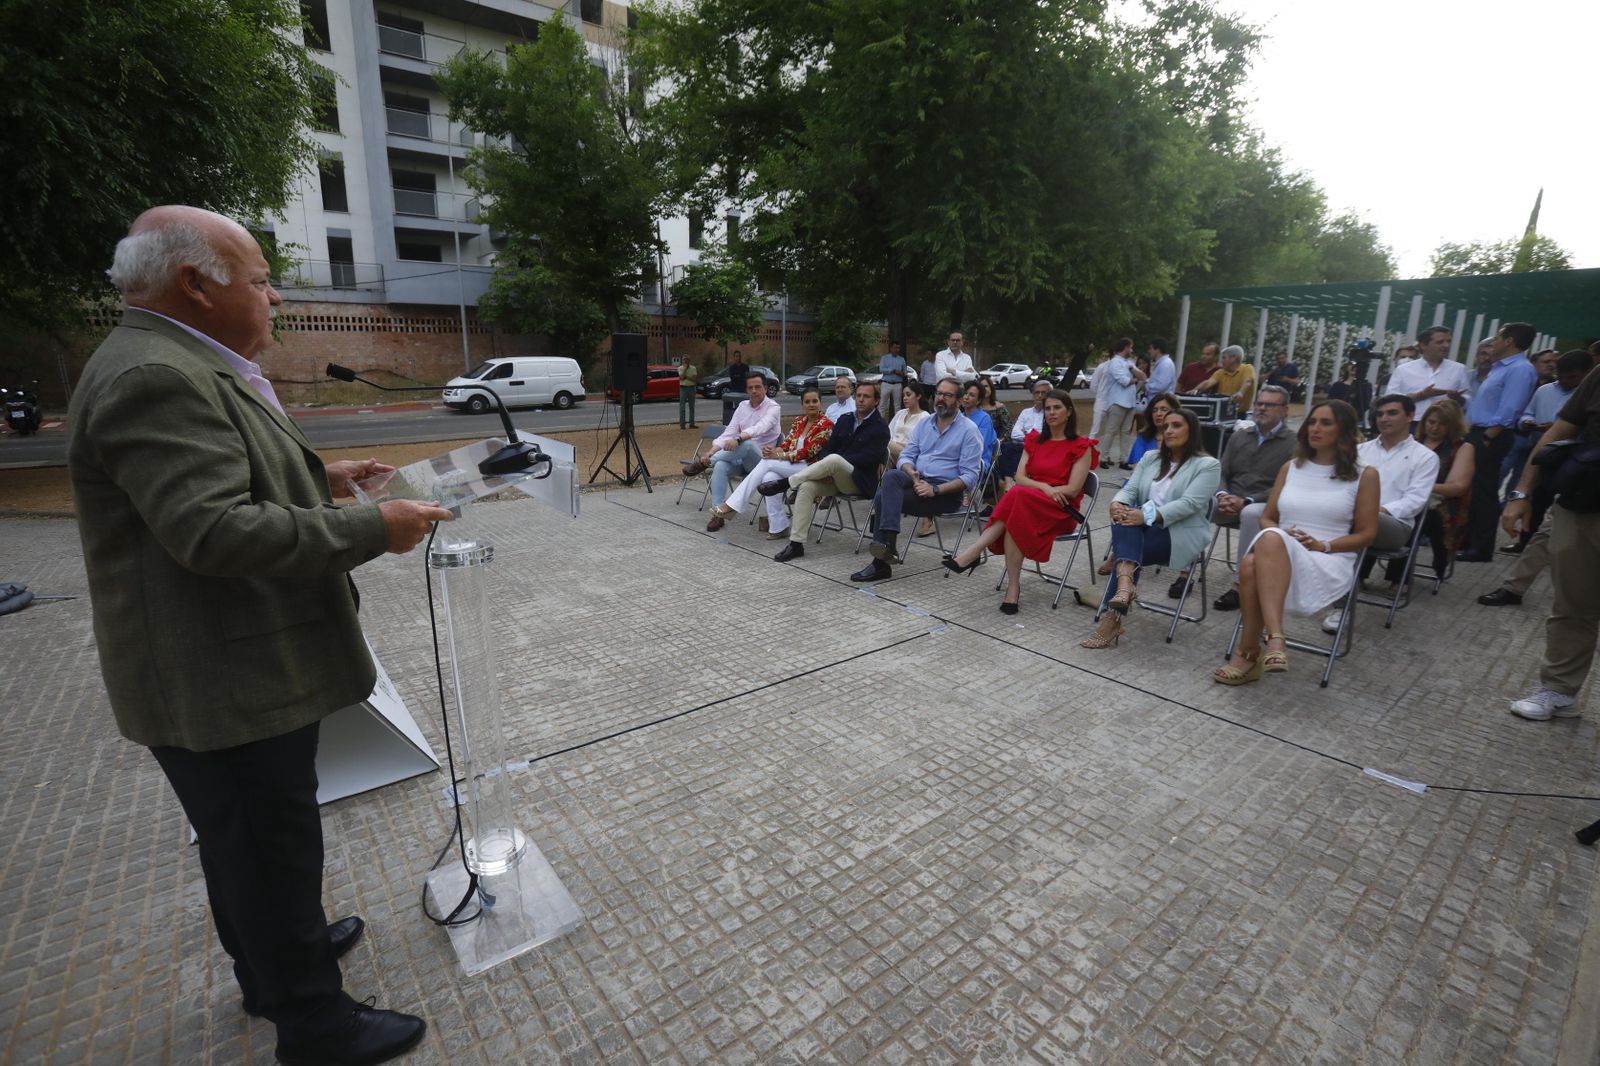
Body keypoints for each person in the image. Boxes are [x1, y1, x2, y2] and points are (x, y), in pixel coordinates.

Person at [66, 206, 443, 1065]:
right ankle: (314, 1024)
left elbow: (219, 475)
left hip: (226, 668)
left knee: (251, 841)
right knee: (265, 844)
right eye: (263, 278)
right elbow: (214, 531)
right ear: (196, 284)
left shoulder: (176, 357)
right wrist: (369, 528)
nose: (275, 296)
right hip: (220, 681)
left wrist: (319, 473)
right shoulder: (152, 376)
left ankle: (277, 959)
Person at [1214, 400, 1379, 685]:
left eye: (1326, 423)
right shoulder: (1291, 468)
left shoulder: (1365, 474)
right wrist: (1284, 537)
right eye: (1312, 421)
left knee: (1255, 560)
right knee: (1264, 546)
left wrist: (1321, 545)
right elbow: (1268, 518)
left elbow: (1366, 534)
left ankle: (1253, 650)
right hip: (1279, 552)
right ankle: (1272, 640)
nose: (1315, 428)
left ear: (1345, 430)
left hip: (1327, 557)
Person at [1499, 363, 1600, 720]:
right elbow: (1559, 431)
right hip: (1585, 507)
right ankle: (1559, 690)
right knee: (1573, 604)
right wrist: (1521, 491)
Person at [943, 389, 1095, 613]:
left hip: (1061, 510)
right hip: (1030, 504)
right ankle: (1012, 588)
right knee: (1018, 505)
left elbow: (1072, 490)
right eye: (1048, 408)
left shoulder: (1082, 445)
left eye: (1057, 408)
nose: (1051, 412)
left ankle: (973, 553)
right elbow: (1021, 477)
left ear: (1069, 412)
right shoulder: (1035, 440)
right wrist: (1044, 486)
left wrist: (1042, 490)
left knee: (1016, 495)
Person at [1081, 408, 1221, 648]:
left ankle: (1119, 601)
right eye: (1165, 426)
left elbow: (1189, 504)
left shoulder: (1207, 465)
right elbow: (1131, 489)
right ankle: (1123, 592)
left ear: (1192, 430)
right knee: (1125, 522)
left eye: (1176, 425)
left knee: (1128, 533)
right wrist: (1117, 502)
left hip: (1179, 536)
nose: (1168, 430)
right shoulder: (1151, 458)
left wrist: (1144, 515)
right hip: (1142, 532)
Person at [1319, 393, 1440, 632]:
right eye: (1380, 414)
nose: (1384, 418)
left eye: (1392, 413)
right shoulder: (1360, 450)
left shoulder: (1425, 457)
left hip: (1395, 527)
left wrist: (1373, 509)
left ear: (1410, 416)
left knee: (1349, 526)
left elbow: (1415, 501)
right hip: (1352, 519)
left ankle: (1341, 608)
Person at [850, 377, 983, 582]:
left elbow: (970, 476)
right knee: (893, 475)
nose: (941, 398)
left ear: (958, 400)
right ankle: (889, 545)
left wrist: (935, 490)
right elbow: (906, 456)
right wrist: (910, 471)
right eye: (939, 393)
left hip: (944, 493)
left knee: (882, 497)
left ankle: (882, 560)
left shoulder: (969, 431)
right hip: (916, 481)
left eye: (947, 395)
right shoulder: (925, 424)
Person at [762, 381, 890, 561]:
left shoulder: (880, 428)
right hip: (835, 476)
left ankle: (787, 483)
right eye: (859, 396)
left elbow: (867, 459)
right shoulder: (846, 420)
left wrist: (833, 466)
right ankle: (796, 544)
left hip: (859, 481)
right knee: (807, 487)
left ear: (876, 401)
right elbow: (828, 448)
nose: (861, 400)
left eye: (867, 396)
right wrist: (828, 469)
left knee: (835, 459)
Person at [1207, 386, 1297, 609]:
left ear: (1285, 410)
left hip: (1265, 505)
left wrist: (1246, 501)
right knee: (1200, 502)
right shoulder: (1239, 436)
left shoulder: (1294, 443)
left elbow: (1285, 484)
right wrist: (1222, 494)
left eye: (1269, 404)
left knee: (1250, 514)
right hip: (1229, 499)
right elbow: (1222, 471)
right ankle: (1185, 573)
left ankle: (1240, 586)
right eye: (1259, 403)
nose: (1262, 408)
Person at [1458, 322, 1540, 561]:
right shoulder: (1500, 367)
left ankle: (1480, 548)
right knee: (1472, 489)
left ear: (1509, 341)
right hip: (1477, 432)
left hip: (1490, 435)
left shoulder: (1520, 369)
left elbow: (1510, 408)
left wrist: (1487, 437)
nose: (1493, 342)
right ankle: (1467, 540)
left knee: (1484, 491)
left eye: (1497, 337)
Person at [706, 387, 832, 534]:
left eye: (815, 401)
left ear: (820, 403)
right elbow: (787, 444)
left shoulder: (826, 424)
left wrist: (777, 456)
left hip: (812, 467)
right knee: (768, 477)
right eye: (807, 402)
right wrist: (774, 451)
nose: (811, 404)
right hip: (793, 465)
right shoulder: (799, 421)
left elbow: (809, 451)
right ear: (802, 405)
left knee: (767, 462)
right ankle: (779, 526)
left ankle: (731, 506)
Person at [1500, 349, 1588, 530]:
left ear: (1586, 374)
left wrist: (1558, 430)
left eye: (1571, 378)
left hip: (1571, 456)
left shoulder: (1585, 397)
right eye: (1561, 376)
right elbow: (1527, 412)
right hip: (1540, 451)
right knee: (1535, 499)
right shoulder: (1544, 390)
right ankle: (1524, 539)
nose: (1564, 381)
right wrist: (1527, 422)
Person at [681, 373, 782, 512]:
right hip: (740, 460)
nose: (754, 390)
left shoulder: (773, 408)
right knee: (721, 466)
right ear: (746, 390)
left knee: (747, 444)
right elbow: (729, 432)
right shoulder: (742, 406)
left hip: (761, 462)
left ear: (765, 388)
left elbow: (760, 427)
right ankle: (718, 512)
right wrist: (710, 452)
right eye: (750, 387)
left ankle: (706, 463)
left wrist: (738, 439)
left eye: (758, 387)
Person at [1402, 398, 1474, 586]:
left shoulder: (1462, 448)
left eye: (1442, 424)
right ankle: (1362, 573)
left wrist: (1417, 486)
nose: (1434, 428)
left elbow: (1457, 487)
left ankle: (1398, 577)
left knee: (1412, 516)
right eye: (1431, 422)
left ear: (1453, 426)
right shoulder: (1410, 442)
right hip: (1405, 496)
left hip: (1442, 503)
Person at [1382, 325, 1471, 426]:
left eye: (1448, 341)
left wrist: (1458, 399)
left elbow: (1468, 401)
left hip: (1446, 425)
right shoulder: (1403, 370)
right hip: (1411, 424)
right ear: (1423, 345)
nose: (1446, 345)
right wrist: (1422, 395)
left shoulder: (1459, 369)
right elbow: (1390, 400)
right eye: (1440, 342)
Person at [997, 379, 1052, 488]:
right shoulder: (1025, 412)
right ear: (1032, 395)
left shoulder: (1051, 414)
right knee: (1006, 447)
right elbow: (1015, 434)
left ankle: (1018, 483)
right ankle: (1009, 483)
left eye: (1044, 393)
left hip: (1042, 448)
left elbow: (1045, 436)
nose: (1040, 395)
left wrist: (1027, 434)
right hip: (1023, 447)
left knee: (1015, 451)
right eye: (1037, 392)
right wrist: (1032, 437)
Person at [1098, 337, 1143, 469]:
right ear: (1125, 347)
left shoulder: (1128, 362)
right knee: (1111, 431)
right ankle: (1103, 458)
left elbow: (1143, 377)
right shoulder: (1114, 363)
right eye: (1131, 347)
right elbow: (1124, 381)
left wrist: (1133, 372)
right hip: (1117, 401)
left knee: (1125, 432)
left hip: (1130, 402)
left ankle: (1123, 459)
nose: (1132, 350)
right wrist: (1134, 377)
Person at [1193, 344, 1256, 414]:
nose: (1221, 361)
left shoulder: (1247, 368)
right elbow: (1207, 383)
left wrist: (1240, 392)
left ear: (1233, 358)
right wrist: (1193, 391)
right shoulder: (1220, 372)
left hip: (1241, 415)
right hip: (1222, 413)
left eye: (1224, 358)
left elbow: (1248, 382)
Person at [1128, 392, 1182, 467]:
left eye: (1164, 409)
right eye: (1154, 410)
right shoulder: (1143, 438)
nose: (1158, 414)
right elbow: (1137, 467)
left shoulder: (1183, 438)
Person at [887, 381, 930, 464]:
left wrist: (894, 444)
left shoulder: (925, 417)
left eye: (908, 394)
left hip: (909, 453)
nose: (905, 398)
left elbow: (923, 444)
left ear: (918, 396)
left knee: (883, 444)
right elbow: (888, 432)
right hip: (891, 449)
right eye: (904, 395)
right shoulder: (901, 413)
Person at [878, 340, 907, 418]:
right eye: (895, 347)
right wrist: (892, 370)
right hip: (886, 383)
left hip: (897, 384)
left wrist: (900, 373)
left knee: (897, 406)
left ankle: (896, 424)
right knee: (882, 405)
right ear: (891, 348)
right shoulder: (884, 358)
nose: (897, 349)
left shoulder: (901, 359)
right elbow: (881, 369)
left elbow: (905, 373)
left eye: (898, 348)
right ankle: (881, 424)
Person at [720, 350, 750, 425]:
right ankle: (736, 423)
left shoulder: (745, 367)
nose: (738, 358)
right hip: (735, 389)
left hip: (743, 390)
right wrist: (739, 377)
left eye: (739, 356)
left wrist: (739, 377)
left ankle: (744, 422)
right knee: (736, 407)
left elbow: (746, 377)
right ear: (734, 357)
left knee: (744, 407)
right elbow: (733, 377)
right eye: (736, 356)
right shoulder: (732, 367)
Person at [677, 357, 699, 429]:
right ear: (682, 360)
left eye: (686, 359)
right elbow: (681, 377)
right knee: (682, 407)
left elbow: (694, 379)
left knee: (692, 407)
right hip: (683, 388)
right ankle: (682, 425)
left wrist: (686, 376)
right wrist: (685, 369)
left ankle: (692, 424)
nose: (685, 361)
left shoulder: (693, 368)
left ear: (689, 360)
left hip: (692, 388)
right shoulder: (680, 368)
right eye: (684, 359)